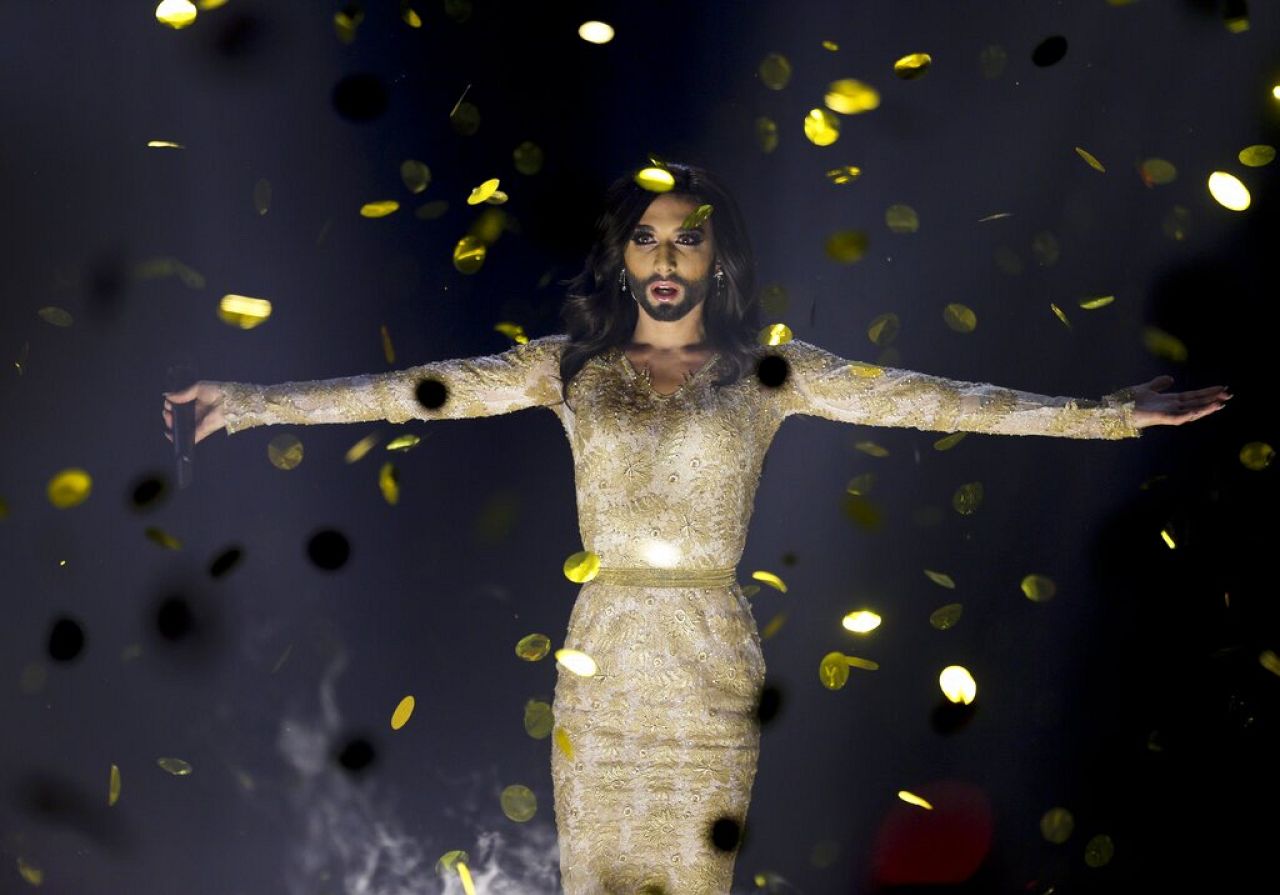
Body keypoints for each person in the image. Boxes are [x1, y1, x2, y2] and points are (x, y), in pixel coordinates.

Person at [162, 163, 1230, 894]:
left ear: (718, 256)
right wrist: (253, 402)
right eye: (644, 238)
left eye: (685, 238)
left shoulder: (769, 370)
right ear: (622, 256)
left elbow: (930, 398)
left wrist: (1104, 416)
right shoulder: (567, 365)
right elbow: (412, 391)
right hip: (604, 655)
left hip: (710, 660)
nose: (663, 256)